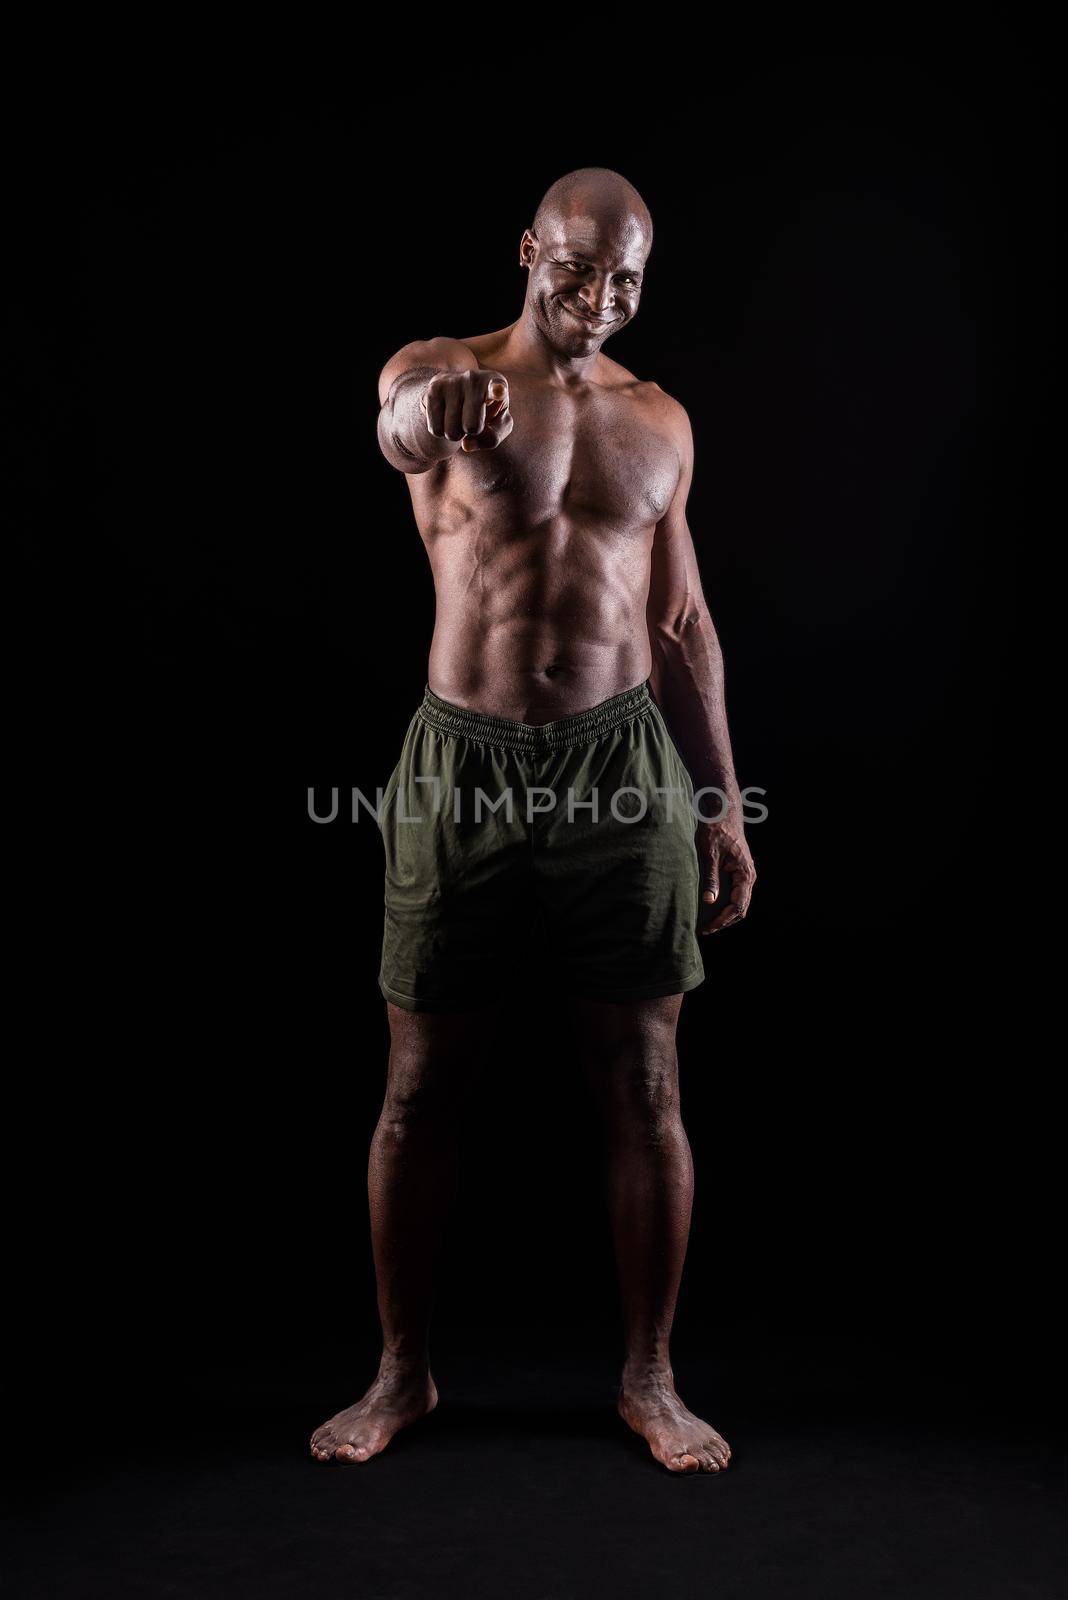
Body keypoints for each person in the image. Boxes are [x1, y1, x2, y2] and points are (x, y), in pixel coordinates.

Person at [311, 168, 755, 1475]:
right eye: (575, 270)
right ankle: (401, 1376)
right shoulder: (442, 371)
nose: (599, 300)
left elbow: (678, 622)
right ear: (527, 249)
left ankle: (651, 1380)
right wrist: (424, 417)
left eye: (625, 279)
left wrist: (722, 800)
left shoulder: (659, 421)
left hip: (625, 768)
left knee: (645, 1083)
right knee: (418, 1090)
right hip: (463, 763)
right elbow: (393, 427)